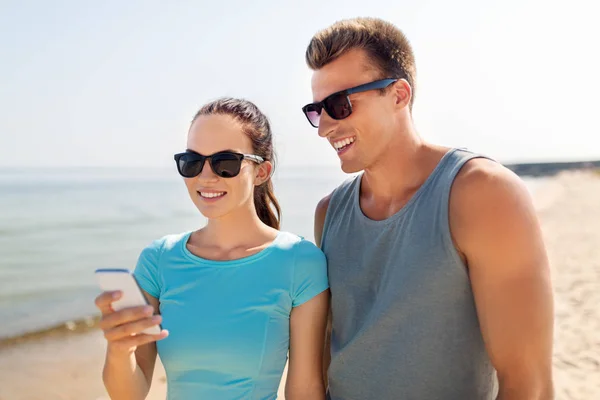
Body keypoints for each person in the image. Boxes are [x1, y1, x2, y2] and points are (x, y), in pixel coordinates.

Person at [301, 17, 554, 400]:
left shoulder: (483, 193)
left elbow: (528, 384)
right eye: (317, 111)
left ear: (399, 95)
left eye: (340, 105)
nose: (325, 128)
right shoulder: (329, 212)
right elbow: (323, 359)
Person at [94, 98, 330, 400]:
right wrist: (118, 349)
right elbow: (130, 393)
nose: (205, 177)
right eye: (192, 162)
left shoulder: (300, 261)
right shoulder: (158, 260)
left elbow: (305, 389)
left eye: (225, 162)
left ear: (261, 171)